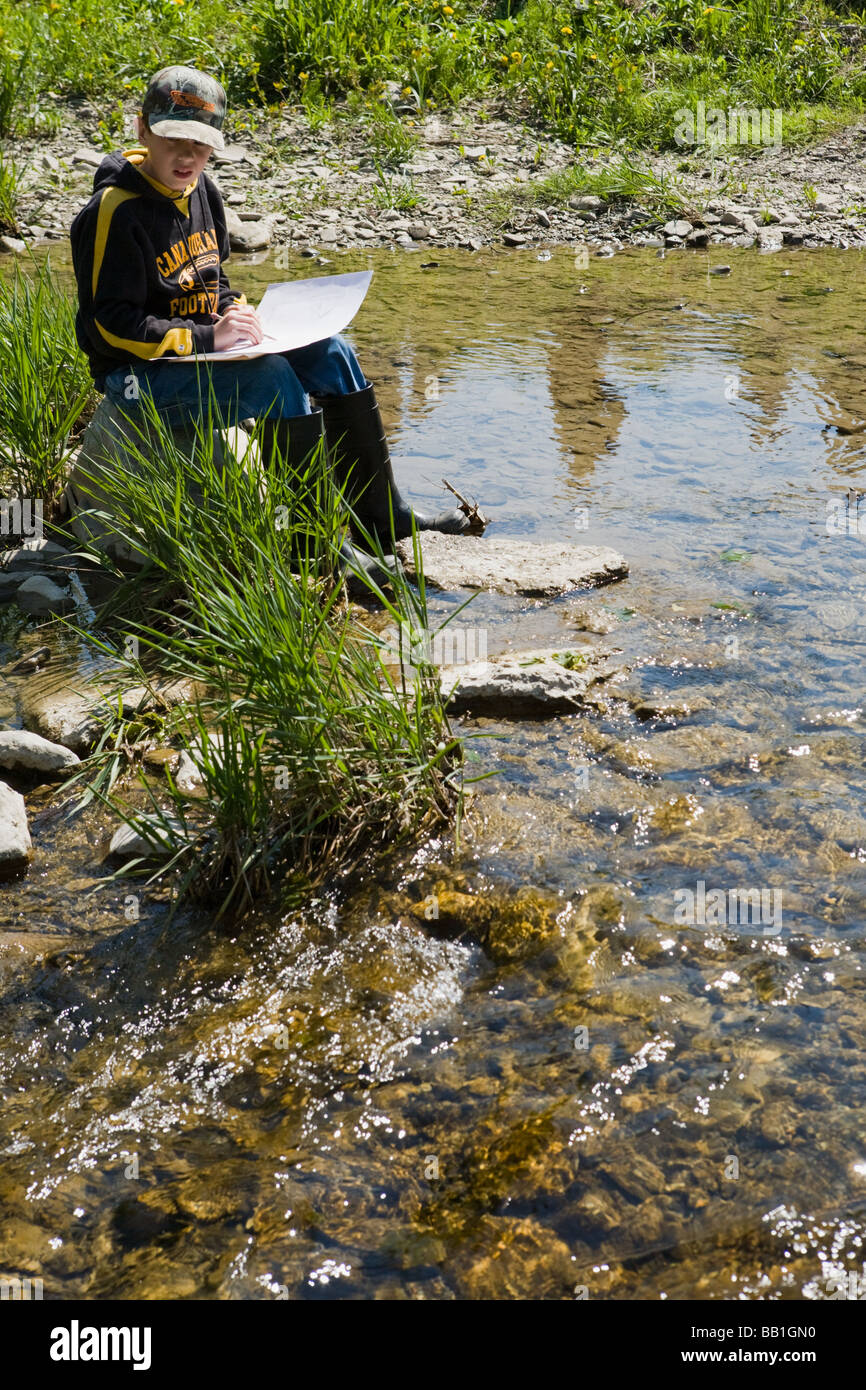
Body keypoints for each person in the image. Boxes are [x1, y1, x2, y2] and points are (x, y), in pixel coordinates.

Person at [69, 64, 474, 582]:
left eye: (202, 143)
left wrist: (232, 308)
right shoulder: (114, 210)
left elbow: (210, 279)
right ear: (143, 129)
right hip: (136, 379)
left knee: (334, 353)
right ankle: (315, 546)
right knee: (273, 379)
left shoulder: (203, 192)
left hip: (204, 353)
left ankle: (382, 518)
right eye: (175, 139)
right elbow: (110, 326)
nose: (189, 156)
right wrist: (207, 336)